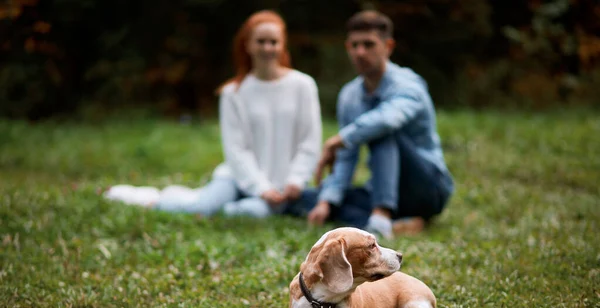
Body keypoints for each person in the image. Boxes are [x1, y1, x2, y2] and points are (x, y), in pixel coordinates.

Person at [105, 10, 322, 218]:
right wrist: (260, 188)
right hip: (236, 178)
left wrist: (295, 180)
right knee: (202, 207)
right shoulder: (233, 93)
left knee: (251, 213)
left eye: (273, 42)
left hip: (283, 188)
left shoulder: (303, 85)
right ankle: (144, 197)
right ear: (247, 45)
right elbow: (236, 150)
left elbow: (309, 141)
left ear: (283, 45)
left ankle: (219, 205)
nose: (267, 48)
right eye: (260, 41)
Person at [286, 10, 453, 238]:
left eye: (368, 44)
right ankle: (395, 224)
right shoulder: (349, 95)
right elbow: (346, 157)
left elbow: (387, 119)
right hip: (381, 188)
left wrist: (341, 138)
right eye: (354, 45)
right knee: (311, 199)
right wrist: (327, 201)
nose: (360, 52)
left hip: (427, 188)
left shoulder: (408, 85)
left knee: (381, 130)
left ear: (389, 46)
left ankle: (381, 215)